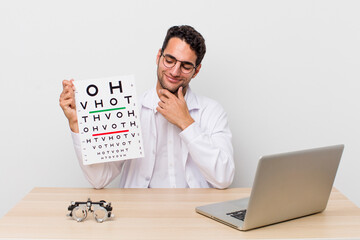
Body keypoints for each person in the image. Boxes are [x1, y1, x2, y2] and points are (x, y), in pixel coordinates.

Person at [59, 25, 234, 189]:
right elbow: (99, 179)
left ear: (196, 71)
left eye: (186, 66)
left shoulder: (211, 111)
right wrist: (76, 123)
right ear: (159, 57)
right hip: (138, 213)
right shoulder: (130, 109)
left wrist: (186, 122)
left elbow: (224, 178)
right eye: (170, 60)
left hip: (193, 214)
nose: (174, 71)